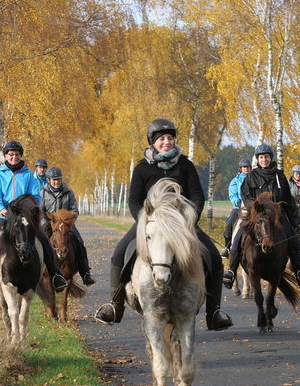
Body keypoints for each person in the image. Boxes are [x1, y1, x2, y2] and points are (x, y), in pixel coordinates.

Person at [94, 118, 233, 331]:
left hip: (182, 223)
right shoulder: (142, 169)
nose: (166, 142)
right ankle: (115, 305)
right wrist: (144, 220)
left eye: (170, 138)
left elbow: (197, 195)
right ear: (153, 142)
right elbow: (134, 199)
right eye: (161, 139)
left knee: (213, 256)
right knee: (120, 253)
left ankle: (214, 311)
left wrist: (190, 218)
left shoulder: (185, 165)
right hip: (150, 222)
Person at [0, 140, 68, 295]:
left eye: (17, 154)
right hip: (5, 216)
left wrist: (28, 210)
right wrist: (1, 209)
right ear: (5, 156)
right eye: (11, 154)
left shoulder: (28, 175)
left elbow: (35, 196)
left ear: (21, 155)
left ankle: (57, 276)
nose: (14, 157)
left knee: (43, 238)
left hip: (25, 217)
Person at [223, 144, 300, 290]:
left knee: (294, 239)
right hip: (256, 216)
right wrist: (255, 209)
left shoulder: (279, 175)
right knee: (238, 236)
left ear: (271, 158)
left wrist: (295, 221)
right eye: (261, 157)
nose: (264, 159)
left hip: (277, 217)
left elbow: (288, 200)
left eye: (267, 157)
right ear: (258, 159)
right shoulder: (251, 176)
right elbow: (246, 195)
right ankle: (231, 271)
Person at [40, 166, 96, 286]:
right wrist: (48, 220)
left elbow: (74, 209)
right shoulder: (42, 193)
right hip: (48, 222)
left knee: (79, 241)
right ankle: (37, 272)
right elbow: (40, 210)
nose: (57, 182)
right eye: (54, 180)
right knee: (39, 242)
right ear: (48, 180)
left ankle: (85, 273)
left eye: (59, 179)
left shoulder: (68, 192)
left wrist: (68, 221)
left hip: (65, 224)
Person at [220, 158, 252, 258]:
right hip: (239, 207)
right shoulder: (235, 181)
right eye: (244, 167)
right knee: (229, 223)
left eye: (248, 167)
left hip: (252, 207)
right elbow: (232, 194)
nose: (246, 169)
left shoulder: (254, 178)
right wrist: (237, 202)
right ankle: (227, 247)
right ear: (240, 169)